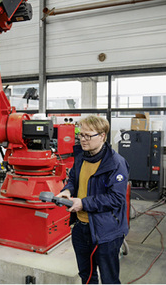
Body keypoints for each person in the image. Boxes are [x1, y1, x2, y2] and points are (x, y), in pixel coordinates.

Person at [58, 115, 129, 284]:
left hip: (106, 233)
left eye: (88, 136)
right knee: (87, 276)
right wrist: (67, 191)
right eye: (81, 135)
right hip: (81, 229)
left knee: (109, 279)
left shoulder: (116, 163)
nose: (83, 140)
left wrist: (83, 203)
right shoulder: (81, 157)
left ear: (102, 136)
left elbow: (116, 198)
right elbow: (74, 179)